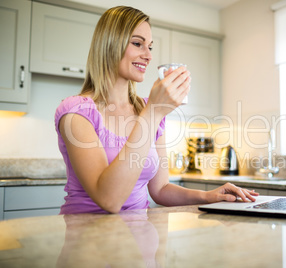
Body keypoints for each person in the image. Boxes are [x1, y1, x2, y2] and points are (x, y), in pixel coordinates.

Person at [54, 6, 258, 214]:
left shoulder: (145, 108)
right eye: (138, 44)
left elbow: (160, 189)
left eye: (150, 47)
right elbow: (109, 200)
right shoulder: (77, 112)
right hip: (87, 237)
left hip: (139, 236)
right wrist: (153, 112)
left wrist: (210, 196)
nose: (148, 56)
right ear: (109, 44)